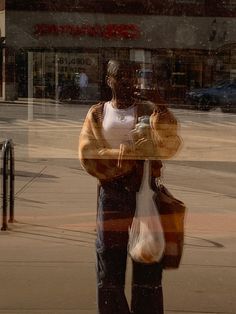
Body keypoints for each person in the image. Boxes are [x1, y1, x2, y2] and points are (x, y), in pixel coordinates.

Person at [79, 59, 181, 314]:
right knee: (109, 266)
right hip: (112, 195)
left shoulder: (148, 109)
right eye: (119, 76)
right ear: (108, 81)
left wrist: (161, 106)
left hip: (144, 192)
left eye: (131, 76)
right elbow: (87, 153)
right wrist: (120, 156)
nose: (126, 81)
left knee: (148, 264)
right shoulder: (98, 112)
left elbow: (170, 145)